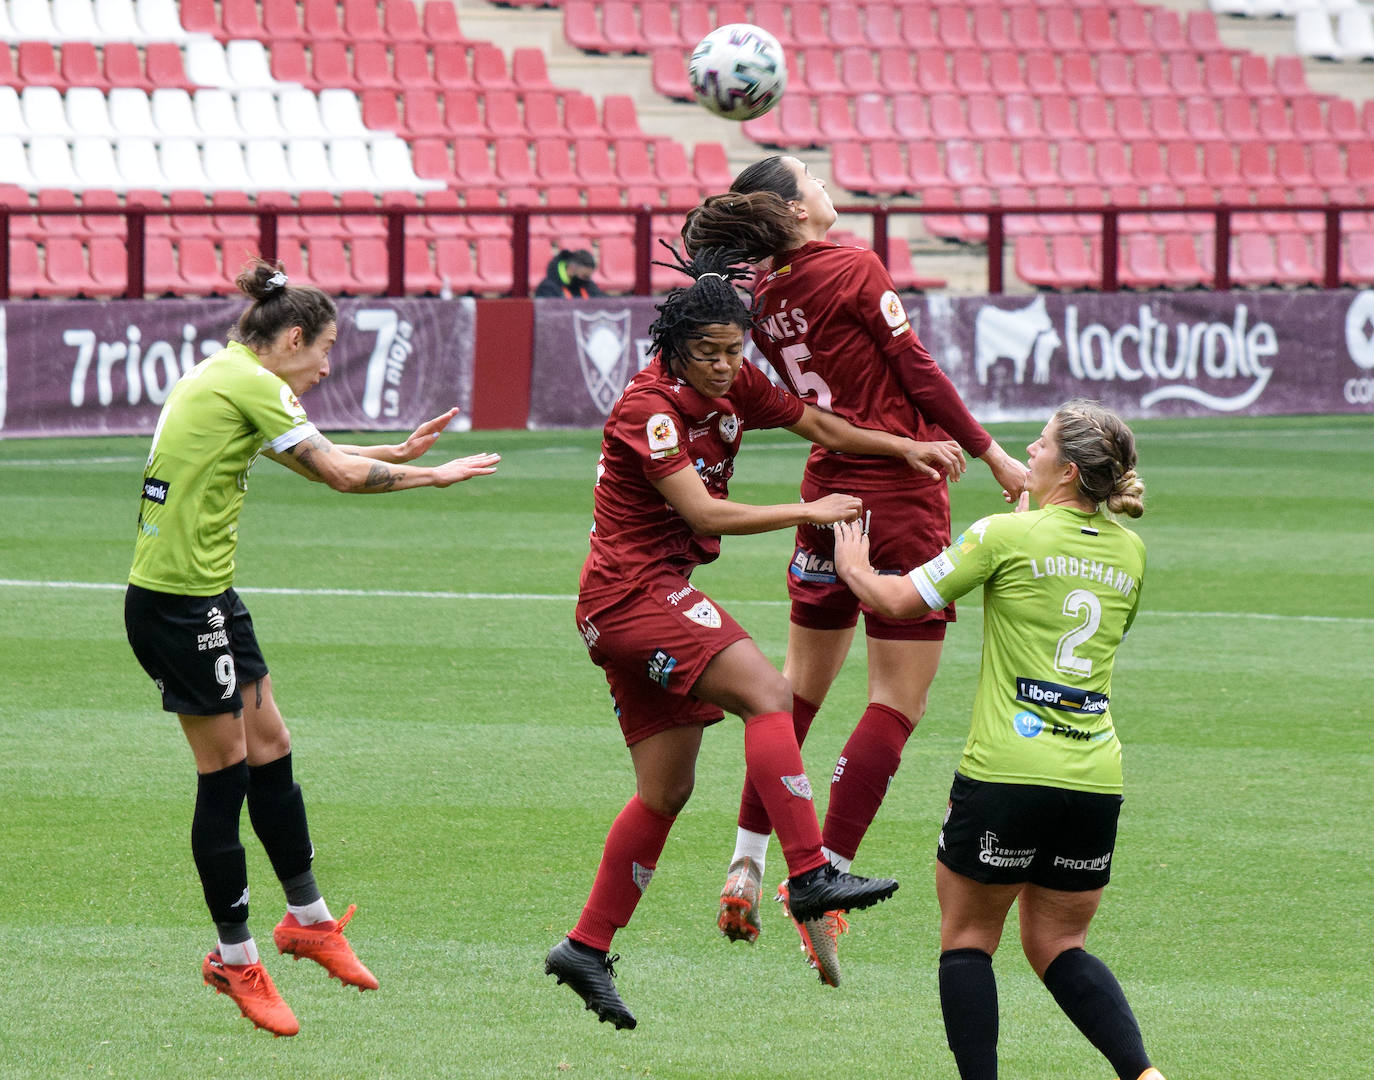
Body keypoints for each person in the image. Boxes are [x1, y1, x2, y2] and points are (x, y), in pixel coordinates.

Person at [543, 246, 966, 1031]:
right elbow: (702, 514)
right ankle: (808, 874)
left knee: (665, 792)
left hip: (643, 598)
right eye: (710, 352)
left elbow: (812, 419)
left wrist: (902, 445)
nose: (727, 365)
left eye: (737, 349)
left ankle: (586, 947)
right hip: (635, 595)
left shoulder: (735, 380)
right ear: (675, 348)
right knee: (770, 693)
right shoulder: (650, 408)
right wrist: (807, 512)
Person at [124, 258, 501, 1037]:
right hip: (174, 606)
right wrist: (432, 478)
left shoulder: (226, 374)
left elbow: (305, 457)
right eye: (324, 348)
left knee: (272, 746)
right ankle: (233, 959)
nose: (328, 365)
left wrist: (394, 454)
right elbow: (332, 474)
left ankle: (309, 921)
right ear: (291, 337)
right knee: (224, 775)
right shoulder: (255, 383)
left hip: (208, 595)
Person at [681, 155, 1029, 986]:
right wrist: (993, 454)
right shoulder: (853, 267)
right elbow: (916, 371)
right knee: (894, 702)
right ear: (794, 210)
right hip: (900, 494)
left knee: (793, 694)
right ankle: (826, 877)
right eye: (813, 178)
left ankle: (746, 863)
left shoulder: (760, 298)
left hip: (825, 490)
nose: (828, 185)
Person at [830, 400, 1165, 1080]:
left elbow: (897, 602)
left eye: (1038, 446)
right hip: (1093, 777)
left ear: (1067, 471)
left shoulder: (1002, 538)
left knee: (969, 940)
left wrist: (854, 565)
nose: (1027, 454)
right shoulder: (1130, 553)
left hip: (1007, 772)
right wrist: (1025, 521)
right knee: (1058, 942)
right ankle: (1144, 1076)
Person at [534, 247, 605, 298]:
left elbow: (601, 299)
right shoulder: (548, 289)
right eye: (584, 276)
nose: (587, 280)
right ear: (571, 268)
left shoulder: (588, 285)